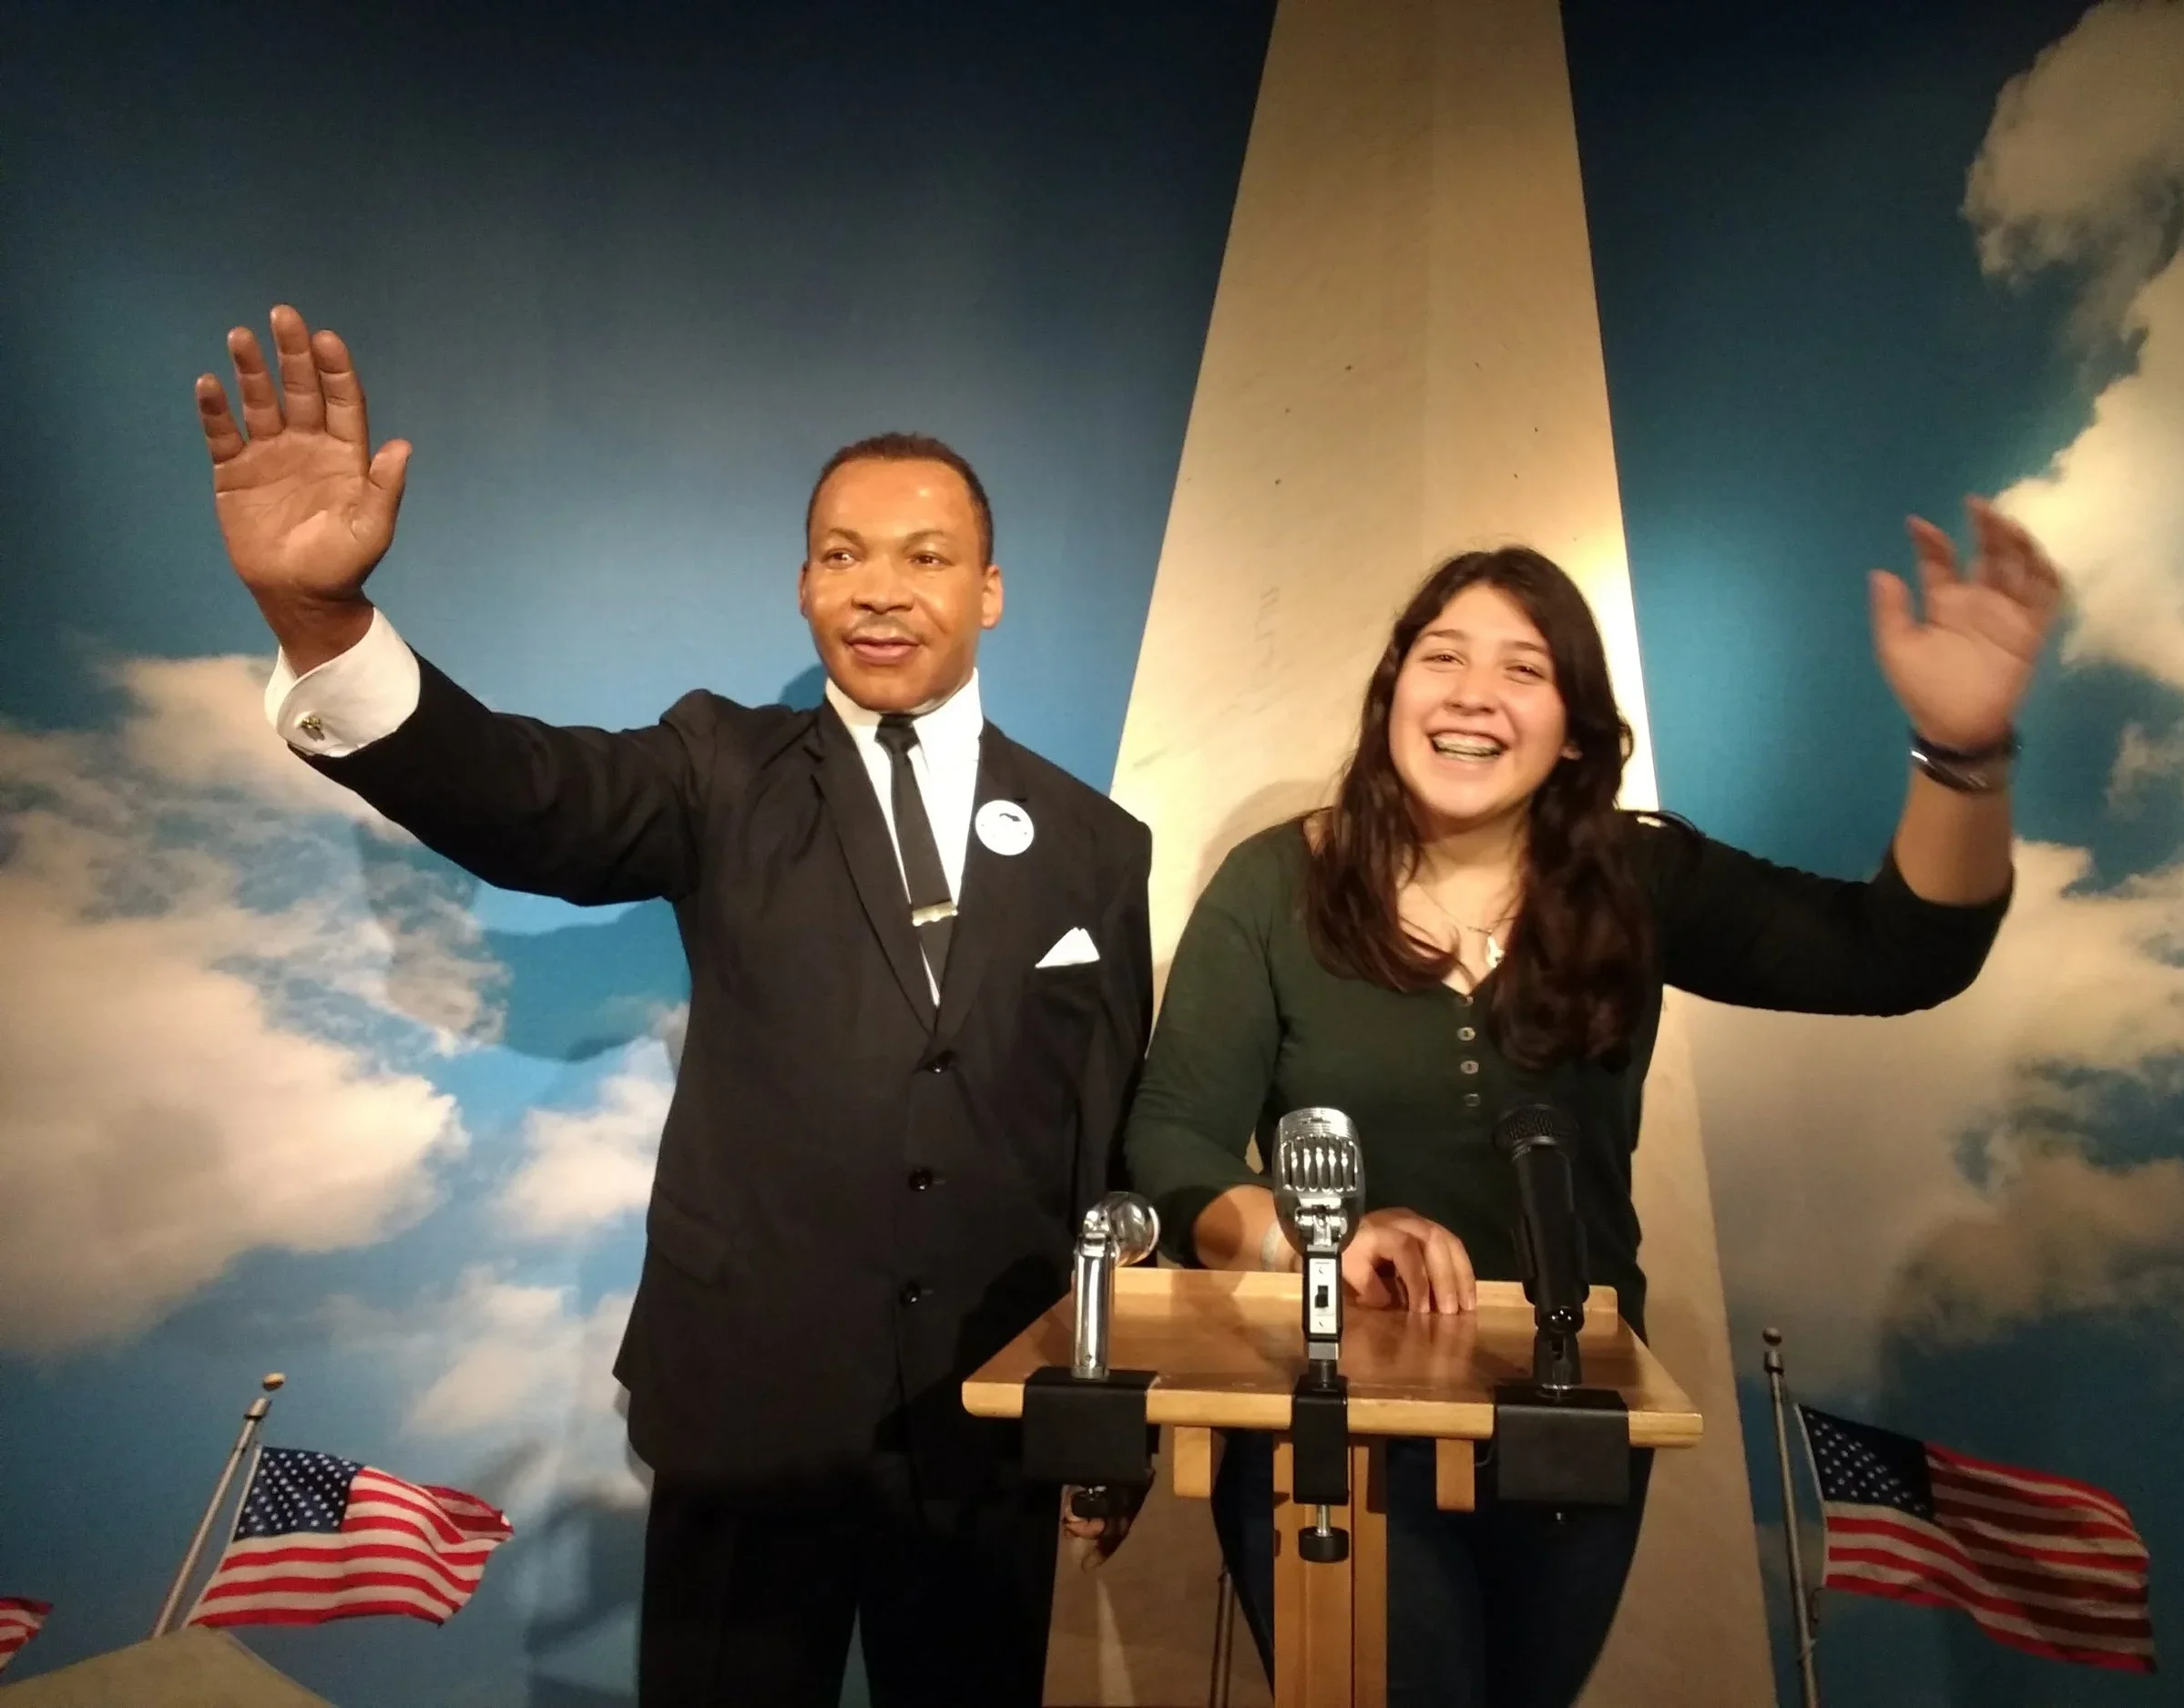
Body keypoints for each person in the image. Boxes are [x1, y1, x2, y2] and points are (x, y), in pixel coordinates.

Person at [193, 306, 1154, 1708]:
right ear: (803, 585)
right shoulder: (718, 763)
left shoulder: (1095, 843)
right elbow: (527, 798)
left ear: (991, 591)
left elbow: (1108, 1144)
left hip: (991, 1426)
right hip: (747, 1417)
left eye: (926, 556)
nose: (880, 588)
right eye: (843, 554)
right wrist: (318, 615)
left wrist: (1103, 1400)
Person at [1124, 512, 2060, 1708]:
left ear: (1573, 733)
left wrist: (1960, 750)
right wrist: (1319, 1239)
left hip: (1575, 1412)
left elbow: (1901, 956)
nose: (1476, 693)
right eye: (1443, 655)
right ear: (1392, 689)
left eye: (1527, 669)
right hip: (1334, 1411)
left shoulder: (1638, 876)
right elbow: (1172, 1141)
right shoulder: (1276, 882)